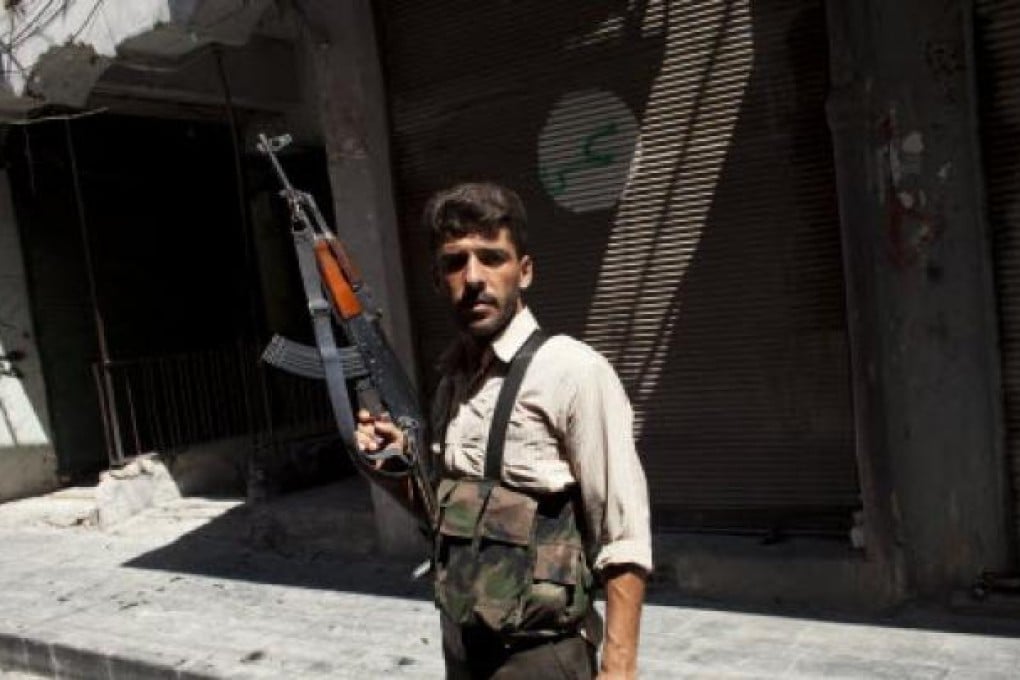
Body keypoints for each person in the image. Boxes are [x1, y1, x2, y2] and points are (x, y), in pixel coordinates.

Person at [356, 182, 652, 679]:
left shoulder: (573, 371)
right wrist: (393, 470)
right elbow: (449, 518)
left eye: (492, 257)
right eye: (455, 262)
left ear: (525, 270)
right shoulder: (452, 380)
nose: (473, 277)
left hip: (542, 653)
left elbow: (624, 534)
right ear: (437, 278)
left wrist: (618, 668)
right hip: (465, 644)